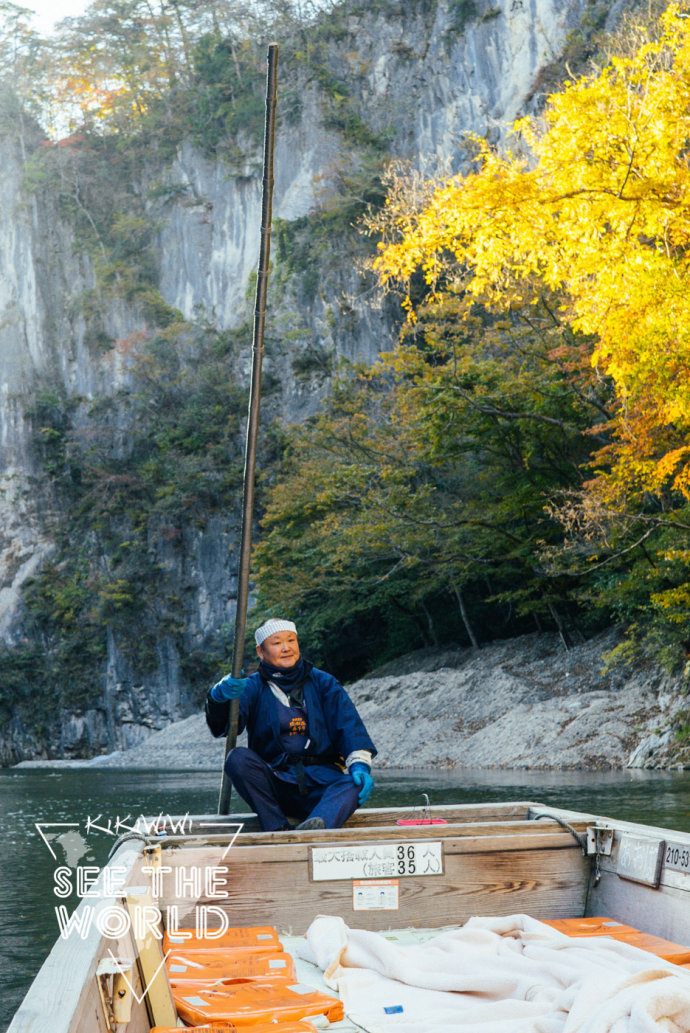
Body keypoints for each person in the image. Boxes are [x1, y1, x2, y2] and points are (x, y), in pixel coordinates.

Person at [205, 618, 376, 832]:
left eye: (291, 640)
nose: (286, 648)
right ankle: (276, 827)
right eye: (276, 643)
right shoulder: (251, 687)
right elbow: (225, 728)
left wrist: (359, 765)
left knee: (355, 781)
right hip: (276, 784)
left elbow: (349, 727)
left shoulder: (325, 683)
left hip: (321, 783)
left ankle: (319, 824)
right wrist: (218, 698)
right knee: (237, 759)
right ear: (261, 651)